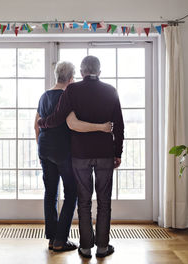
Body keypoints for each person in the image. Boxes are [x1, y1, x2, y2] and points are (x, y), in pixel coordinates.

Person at [37, 56, 124, 258]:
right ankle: (102, 247)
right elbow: (119, 125)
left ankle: (85, 247)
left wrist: (42, 124)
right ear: (99, 72)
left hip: (79, 155)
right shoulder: (111, 90)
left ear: (82, 72)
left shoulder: (72, 91)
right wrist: (117, 153)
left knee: (83, 201)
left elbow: (59, 118)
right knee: (104, 201)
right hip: (104, 153)